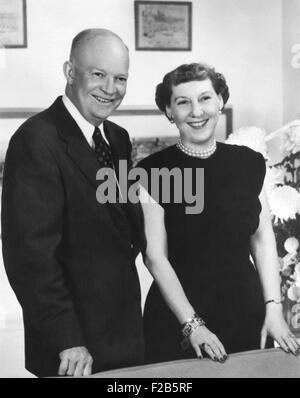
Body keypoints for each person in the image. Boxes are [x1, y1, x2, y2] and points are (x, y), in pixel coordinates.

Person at [1, 29, 145, 377]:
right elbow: (30, 258)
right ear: (70, 72)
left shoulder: (117, 138)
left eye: (120, 78)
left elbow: (121, 227)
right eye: (98, 74)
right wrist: (66, 339)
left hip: (124, 337)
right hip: (73, 351)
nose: (110, 89)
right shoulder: (35, 140)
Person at [138, 62, 300, 364]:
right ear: (169, 112)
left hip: (245, 312)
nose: (196, 111)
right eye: (183, 102)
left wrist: (274, 308)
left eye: (205, 98)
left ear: (220, 102)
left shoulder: (249, 163)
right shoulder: (153, 171)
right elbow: (154, 257)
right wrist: (192, 325)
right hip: (178, 317)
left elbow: (263, 238)